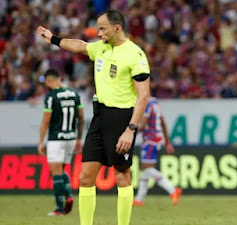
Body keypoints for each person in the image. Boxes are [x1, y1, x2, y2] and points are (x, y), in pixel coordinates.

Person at [36, 9, 150, 225]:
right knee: (85, 177)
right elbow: (79, 45)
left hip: (123, 119)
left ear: (117, 28)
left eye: (102, 29)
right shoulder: (100, 49)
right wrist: (53, 38)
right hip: (100, 118)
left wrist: (131, 129)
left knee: (122, 177)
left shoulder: (135, 55)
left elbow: (144, 96)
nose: (98, 33)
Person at [38, 68, 84, 216]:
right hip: (70, 138)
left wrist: (40, 142)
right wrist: (78, 138)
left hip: (56, 139)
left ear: (49, 80)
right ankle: (66, 202)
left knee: (56, 173)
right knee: (62, 170)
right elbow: (81, 119)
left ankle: (62, 204)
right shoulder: (74, 94)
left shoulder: (51, 96)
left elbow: (46, 121)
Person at [133, 97, 182, 206]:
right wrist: (167, 142)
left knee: (148, 168)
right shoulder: (154, 103)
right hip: (156, 139)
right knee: (145, 169)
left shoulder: (145, 103)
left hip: (150, 140)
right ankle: (139, 199)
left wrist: (129, 132)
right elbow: (163, 123)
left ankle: (173, 190)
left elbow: (143, 124)